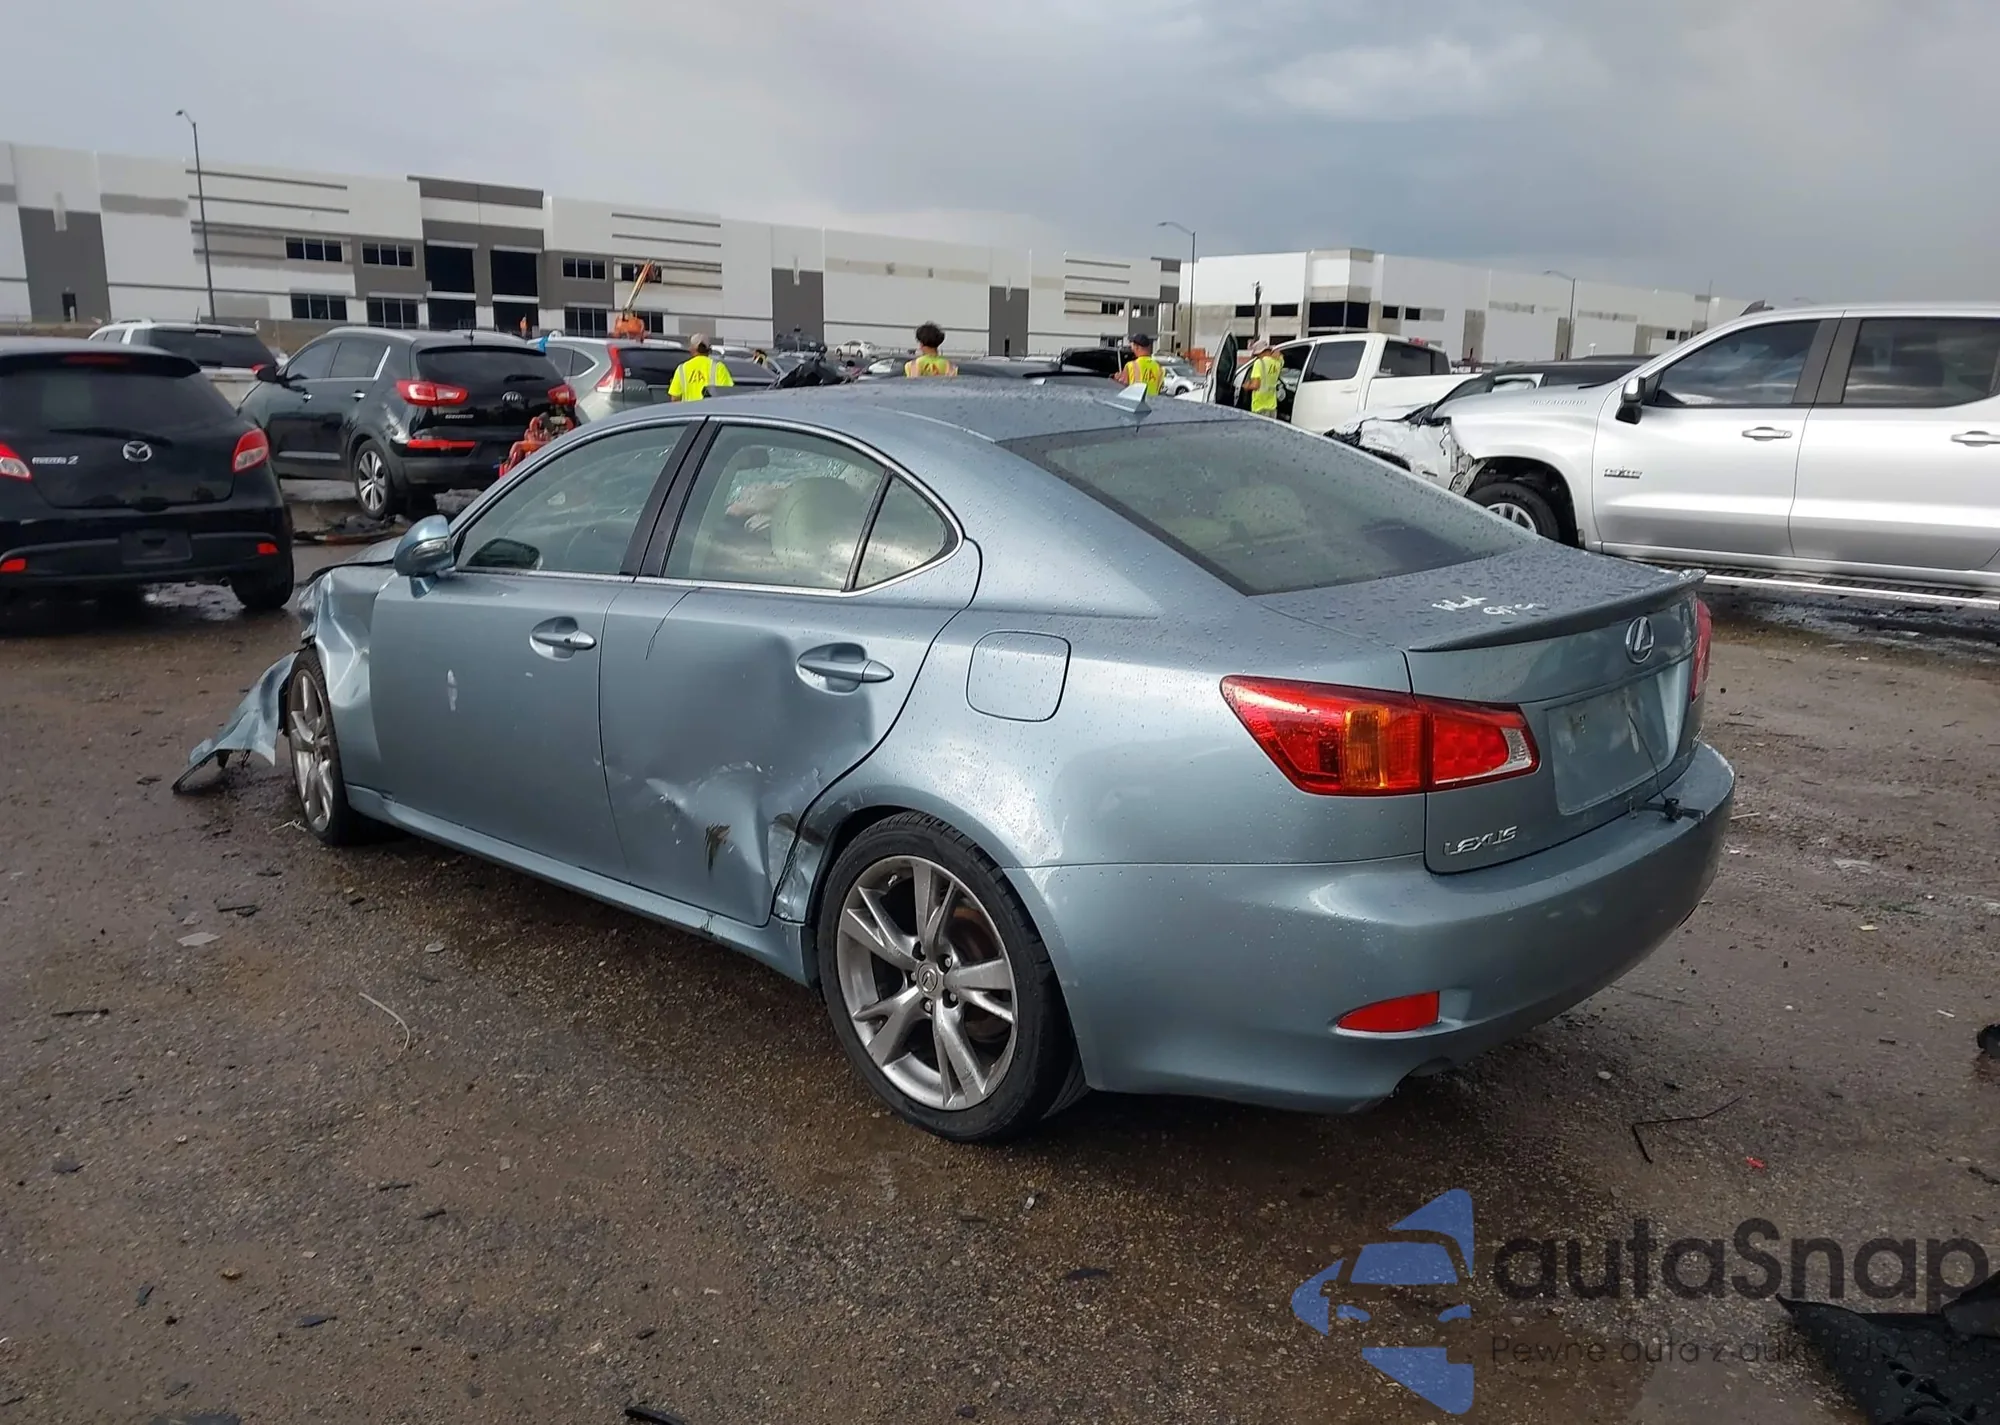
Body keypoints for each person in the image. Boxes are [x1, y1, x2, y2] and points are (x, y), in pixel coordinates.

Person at [668, 334, 734, 402]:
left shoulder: (682, 369)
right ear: (709, 349)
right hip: (711, 408)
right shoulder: (719, 367)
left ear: (692, 349)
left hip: (689, 408)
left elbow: (675, 398)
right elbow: (728, 394)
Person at [1244, 338, 1285, 418]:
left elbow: (1255, 385)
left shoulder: (1259, 363)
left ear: (1259, 352)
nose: (1257, 357)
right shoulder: (1278, 362)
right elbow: (1281, 356)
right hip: (1272, 406)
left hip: (1259, 406)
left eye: (1256, 355)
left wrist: (1247, 386)